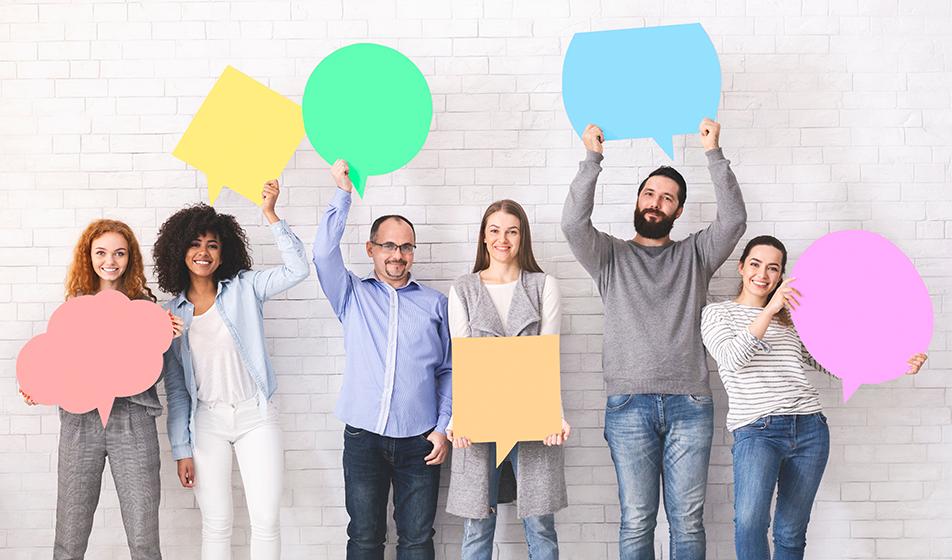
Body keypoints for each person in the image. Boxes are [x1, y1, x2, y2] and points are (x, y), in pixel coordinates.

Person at [560, 119, 747, 559]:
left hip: (690, 404)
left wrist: (713, 153)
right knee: (637, 519)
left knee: (687, 521)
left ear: (678, 211)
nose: (656, 203)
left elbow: (735, 220)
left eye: (667, 198)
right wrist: (592, 159)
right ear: (638, 199)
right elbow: (572, 223)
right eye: (649, 193)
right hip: (628, 405)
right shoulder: (609, 256)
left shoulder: (695, 255)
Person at [700, 235, 927, 560]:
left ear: (780, 275)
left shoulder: (791, 320)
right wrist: (771, 309)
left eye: (773, 268)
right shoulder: (717, 314)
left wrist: (897, 361)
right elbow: (732, 359)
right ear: (741, 267)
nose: (763, 274)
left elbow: (833, 362)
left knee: (791, 532)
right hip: (757, 431)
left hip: (810, 430)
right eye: (755, 264)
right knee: (749, 523)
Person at [156, 180, 309, 559]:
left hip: (255, 416)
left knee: (266, 521)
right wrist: (181, 448)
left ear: (224, 253)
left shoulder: (246, 288)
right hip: (207, 422)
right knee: (217, 525)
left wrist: (271, 214)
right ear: (180, 251)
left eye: (212, 244)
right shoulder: (171, 316)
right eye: (195, 244)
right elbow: (176, 390)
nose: (203, 252)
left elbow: (298, 269)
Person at [312, 160, 452, 560]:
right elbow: (323, 254)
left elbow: (449, 370)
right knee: (364, 539)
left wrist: (442, 428)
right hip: (363, 438)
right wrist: (343, 193)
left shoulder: (435, 304)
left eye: (406, 246)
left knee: (417, 540)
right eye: (389, 245)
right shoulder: (351, 294)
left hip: (420, 440)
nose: (398, 254)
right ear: (371, 249)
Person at [18, 219, 181, 560]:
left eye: (120, 253)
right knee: (69, 536)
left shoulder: (148, 309)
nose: (111, 260)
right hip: (80, 423)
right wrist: (36, 385)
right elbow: (58, 365)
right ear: (88, 256)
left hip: (134, 419)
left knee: (143, 537)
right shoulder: (73, 307)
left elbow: (154, 376)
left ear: (130, 258)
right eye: (102, 252)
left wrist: (167, 340)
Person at [445, 199, 571, 560]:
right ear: (484, 238)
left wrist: (554, 416)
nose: (503, 239)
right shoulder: (463, 289)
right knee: (476, 527)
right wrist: (460, 418)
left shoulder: (543, 285)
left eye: (512, 231)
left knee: (540, 527)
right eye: (495, 230)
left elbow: (548, 356)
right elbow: (462, 357)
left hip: (532, 418)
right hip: (480, 417)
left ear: (523, 238)